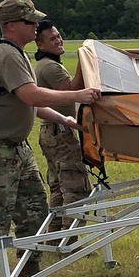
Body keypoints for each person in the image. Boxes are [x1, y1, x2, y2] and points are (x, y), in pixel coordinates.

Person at [0, 0, 100, 277]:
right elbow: (31, 95)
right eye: (30, 22)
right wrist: (80, 95)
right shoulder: (6, 55)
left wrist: (63, 117)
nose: (36, 27)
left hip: (17, 150)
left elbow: (28, 105)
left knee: (35, 208)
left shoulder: (18, 54)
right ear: (12, 25)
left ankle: (30, 272)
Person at [34, 19, 93, 225]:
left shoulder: (44, 64)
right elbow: (71, 91)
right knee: (76, 187)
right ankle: (69, 241)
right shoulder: (50, 67)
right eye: (52, 39)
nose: (58, 40)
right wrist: (83, 61)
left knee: (59, 188)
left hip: (50, 131)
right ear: (40, 45)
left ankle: (55, 237)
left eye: (58, 36)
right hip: (60, 131)